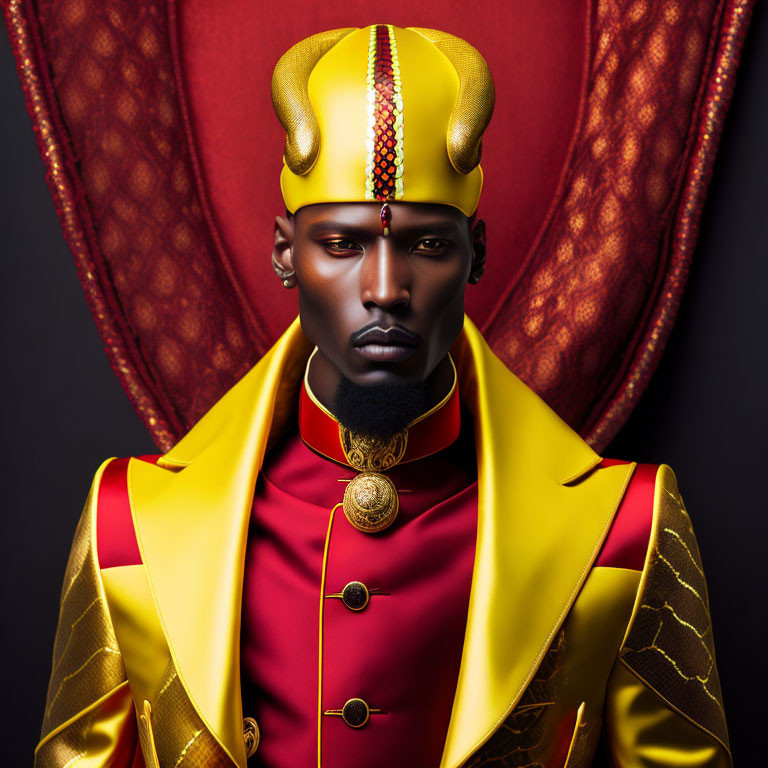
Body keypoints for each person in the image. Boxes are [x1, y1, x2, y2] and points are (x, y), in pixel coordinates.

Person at [35, 24, 730, 768]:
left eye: (428, 245)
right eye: (342, 244)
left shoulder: (622, 530)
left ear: (477, 255)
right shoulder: (131, 530)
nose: (385, 289)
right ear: (284, 254)